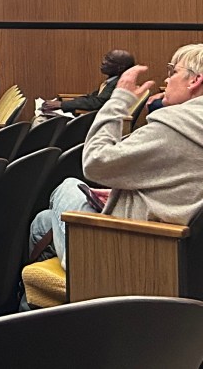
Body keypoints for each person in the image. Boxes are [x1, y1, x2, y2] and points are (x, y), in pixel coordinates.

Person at [28, 46, 203, 272]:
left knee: (67, 187)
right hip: (181, 254)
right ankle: (40, 300)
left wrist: (118, 100)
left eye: (172, 72)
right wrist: (120, 194)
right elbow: (183, 183)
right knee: (43, 222)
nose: (166, 81)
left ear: (195, 80)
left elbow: (95, 163)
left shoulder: (174, 127)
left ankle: (75, 293)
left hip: (128, 253)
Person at [41, 49, 135, 114]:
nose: (103, 62)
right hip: (91, 117)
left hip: (95, 122)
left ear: (120, 68)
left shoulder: (119, 84)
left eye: (109, 60)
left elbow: (97, 103)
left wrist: (62, 105)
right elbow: (92, 97)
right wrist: (65, 102)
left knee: (41, 121)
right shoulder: (111, 80)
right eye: (105, 58)